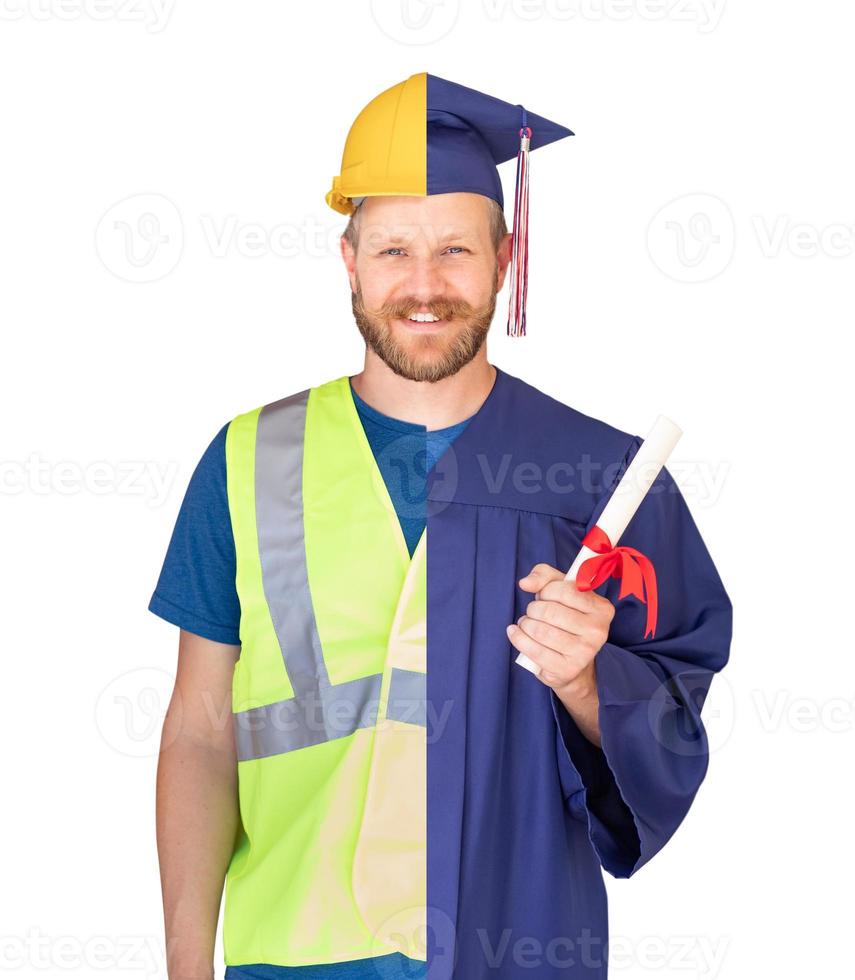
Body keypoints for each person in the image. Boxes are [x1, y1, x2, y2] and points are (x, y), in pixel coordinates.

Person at [150, 72, 733, 980]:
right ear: (349, 260)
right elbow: (197, 729)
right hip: (294, 956)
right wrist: (186, 963)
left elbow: (675, 734)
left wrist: (589, 681)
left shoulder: (604, 481)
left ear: (505, 257)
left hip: (516, 949)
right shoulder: (246, 460)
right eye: (392, 251)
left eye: (456, 251)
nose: (424, 287)